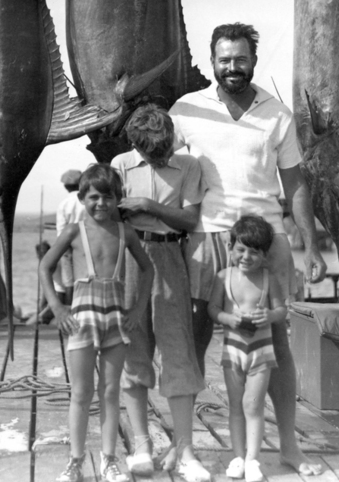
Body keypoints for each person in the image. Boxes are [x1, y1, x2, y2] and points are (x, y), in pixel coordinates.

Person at [169, 22, 327, 476]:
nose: (232, 67)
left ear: (253, 60)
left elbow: (295, 183)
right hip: (207, 234)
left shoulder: (277, 114)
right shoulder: (187, 109)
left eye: (240, 59)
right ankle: (184, 447)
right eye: (224, 60)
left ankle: (289, 446)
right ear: (212, 61)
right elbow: (162, 166)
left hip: (267, 237)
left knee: (276, 343)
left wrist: (311, 245)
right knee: (195, 338)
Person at [111, 104, 210, 482]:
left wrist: (148, 206)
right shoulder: (120, 165)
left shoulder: (189, 166)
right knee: (133, 350)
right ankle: (141, 445)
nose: (160, 156)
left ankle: (184, 450)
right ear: (136, 145)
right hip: (129, 259)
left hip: (170, 256)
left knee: (178, 351)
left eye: (165, 149)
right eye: (152, 152)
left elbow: (190, 218)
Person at [39, 164, 154, 482]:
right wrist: (57, 308)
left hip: (115, 321)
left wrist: (137, 309)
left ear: (118, 198)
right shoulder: (73, 231)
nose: (101, 203)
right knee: (80, 392)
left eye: (107, 197)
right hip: (82, 321)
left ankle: (108, 460)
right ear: (81, 198)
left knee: (110, 392)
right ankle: (75, 461)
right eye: (93, 197)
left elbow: (148, 269)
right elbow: (45, 266)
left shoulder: (126, 232)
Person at [208, 216, 287, 482]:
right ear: (230, 248)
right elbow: (213, 309)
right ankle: (238, 457)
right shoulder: (223, 277)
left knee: (252, 405)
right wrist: (227, 318)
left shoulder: (268, 278)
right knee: (235, 406)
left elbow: (282, 310)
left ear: (264, 255)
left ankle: (253, 459)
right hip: (233, 352)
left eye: (254, 252)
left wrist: (270, 315)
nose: (246, 257)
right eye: (240, 249)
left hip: (261, 353)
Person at [55, 169, 85, 305]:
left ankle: (70, 309)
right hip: (85, 243)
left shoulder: (64, 204)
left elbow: (60, 231)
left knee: (68, 280)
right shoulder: (85, 202)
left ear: (66, 187)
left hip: (67, 245)